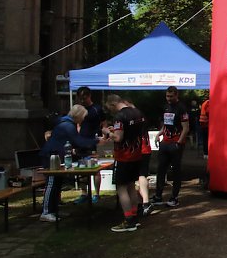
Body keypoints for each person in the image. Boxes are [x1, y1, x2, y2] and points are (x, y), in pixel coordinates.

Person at [38, 105, 106, 222]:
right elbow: (78, 141)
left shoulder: (65, 123)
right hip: (51, 156)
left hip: (56, 155)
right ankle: (46, 212)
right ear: (78, 116)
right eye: (83, 117)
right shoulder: (68, 125)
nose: (83, 120)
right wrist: (96, 141)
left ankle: (54, 210)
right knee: (52, 183)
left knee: (57, 183)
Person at [104, 95, 145, 232]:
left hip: (123, 156)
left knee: (121, 188)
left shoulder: (119, 117)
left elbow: (118, 137)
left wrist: (107, 132)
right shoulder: (137, 112)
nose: (111, 112)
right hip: (137, 154)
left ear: (112, 104)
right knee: (131, 186)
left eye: (110, 109)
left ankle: (128, 221)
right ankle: (134, 217)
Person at [151, 86, 189, 207]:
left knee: (176, 171)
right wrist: (159, 134)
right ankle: (158, 196)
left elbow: (186, 128)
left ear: (177, 95)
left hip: (176, 144)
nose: (169, 98)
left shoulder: (181, 108)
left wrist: (179, 142)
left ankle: (174, 197)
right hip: (165, 142)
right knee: (161, 169)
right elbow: (166, 125)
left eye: (171, 96)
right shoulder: (166, 107)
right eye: (167, 96)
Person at [73, 86, 105, 204]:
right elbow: (77, 125)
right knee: (81, 168)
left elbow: (104, 123)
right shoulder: (78, 109)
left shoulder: (96, 109)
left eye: (84, 98)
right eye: (80, 98)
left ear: (89, 96)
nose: (82, 101)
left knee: (95, 169)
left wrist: (103, 136)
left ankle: (96, 193)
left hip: (94, 143)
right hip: (81, 142)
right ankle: (84, 193)